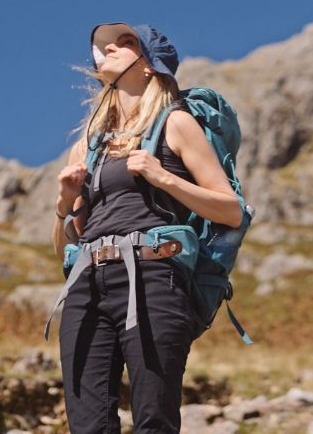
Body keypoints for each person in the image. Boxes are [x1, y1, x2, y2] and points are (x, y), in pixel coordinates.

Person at [51, 23, 242, 434]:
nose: (112, 48)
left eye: (127, 42)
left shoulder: (175, 124)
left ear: (151, 65)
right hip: (86, 283)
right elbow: (62, 244)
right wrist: (65, 204)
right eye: (107, 45)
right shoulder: (87, 144)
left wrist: (163, 177)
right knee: (88, 425)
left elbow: (231, 211)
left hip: (153, 275)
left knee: (154, 419)